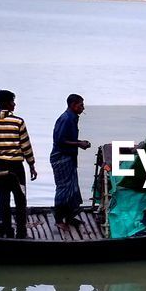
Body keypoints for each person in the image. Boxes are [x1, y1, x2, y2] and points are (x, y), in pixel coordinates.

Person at [0, 90, 37, 239]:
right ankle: (21, 232)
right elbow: (26, 145)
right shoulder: (18, 122)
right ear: (6, 103)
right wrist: (31, 165)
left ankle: (7, 231)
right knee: (20, 199)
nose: (14, 104)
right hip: (16, 168)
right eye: (12, 101)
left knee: (3, 199)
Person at [50, 94, 91, 225]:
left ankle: (69, 217)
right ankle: (58, 220)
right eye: (81, 105)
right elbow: (60, 141)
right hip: (61, 158)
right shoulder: (66, 119)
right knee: (63, 188)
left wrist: (80, 142)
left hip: (70, 157)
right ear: (73, 105)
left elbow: (69, 139)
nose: (83, 108)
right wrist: (79, 144)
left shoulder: (73, 118)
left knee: (72, 188)